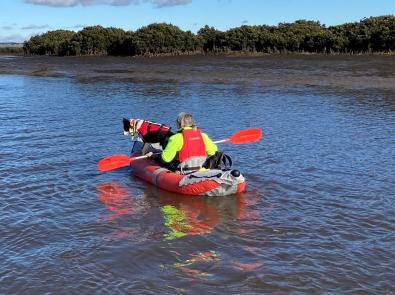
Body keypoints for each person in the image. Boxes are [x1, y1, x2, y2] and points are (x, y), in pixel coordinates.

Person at [151, 112, 218, 173]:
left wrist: (154, 156)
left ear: (179, 123)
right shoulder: (203, 136)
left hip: (184, 171)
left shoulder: (175, 138)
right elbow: (213, 152)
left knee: (163, 162)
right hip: (201, 169)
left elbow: (166, 159)